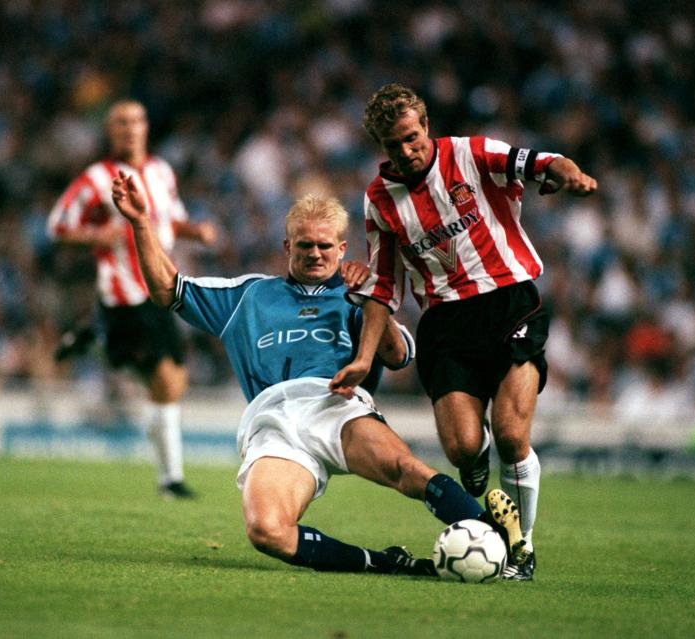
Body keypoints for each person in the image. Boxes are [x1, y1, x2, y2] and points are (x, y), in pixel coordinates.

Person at [111, 170, 528, 576]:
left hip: (336, 405)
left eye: (325, 246)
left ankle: (502, 540)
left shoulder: (359, 297)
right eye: (305, 245)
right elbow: (168, 289)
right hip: (272, 421)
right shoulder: (249, 295)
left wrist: (369, 299)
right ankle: (385, 563)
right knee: (267, 531)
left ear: (342, 248)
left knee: (409, 471)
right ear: (286, 246)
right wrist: (140, 223)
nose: (315, 254)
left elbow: (399, 355)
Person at [331, 83, 599, 580]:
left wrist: (572, 174)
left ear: (426, 125)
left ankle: (520, 550)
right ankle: (474, 467)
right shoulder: (378, 201)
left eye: (412, 138)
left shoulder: (473, 154)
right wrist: (365, 358)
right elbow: (383, 288)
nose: (407, 151)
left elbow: (542, 162)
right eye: (395, 145)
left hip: (510, 301)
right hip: (446, 323)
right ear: (381, 147)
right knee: (460, 449)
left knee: (513, 437)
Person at [47, 99, 217, 499]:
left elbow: (167, 221)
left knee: (172, 382)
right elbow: (57, 225)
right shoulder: (96, 177)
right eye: (121, 122)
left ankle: (99, 338)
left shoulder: (161, 171)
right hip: (124, 291)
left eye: (136, 120)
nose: (130, 128)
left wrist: (196, 232)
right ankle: (170, 480)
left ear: (146, 127)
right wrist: (93, 235)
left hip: (161, 286)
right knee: (164, 380)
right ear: (110, 131)